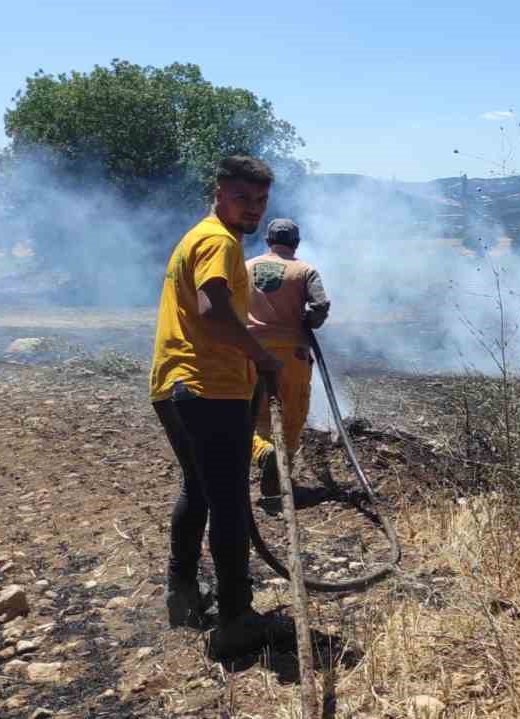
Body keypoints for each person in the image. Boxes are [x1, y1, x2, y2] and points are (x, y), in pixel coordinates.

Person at [148, 155, 287, 659]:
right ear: (219, 192)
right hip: (209, 387)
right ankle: (235, 618)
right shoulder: (217, 241)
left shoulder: (200, 236)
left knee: (198, 489)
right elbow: (213, 313)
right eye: (243, 198)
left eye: (260, 201)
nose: (252, 209)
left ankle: (182, 596)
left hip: (176, 384)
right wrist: (263, 357)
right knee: (229, 502)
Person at [247, 219, 331, 499]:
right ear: (296, 243)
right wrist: (311, 320)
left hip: (251, 351)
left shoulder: (245, 267)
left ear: (268, 240)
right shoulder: (305, 270)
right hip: (292, 353)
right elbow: (321, 305)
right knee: (293, 413)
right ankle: (282, 479)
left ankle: (262, 452)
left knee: (252, 414)